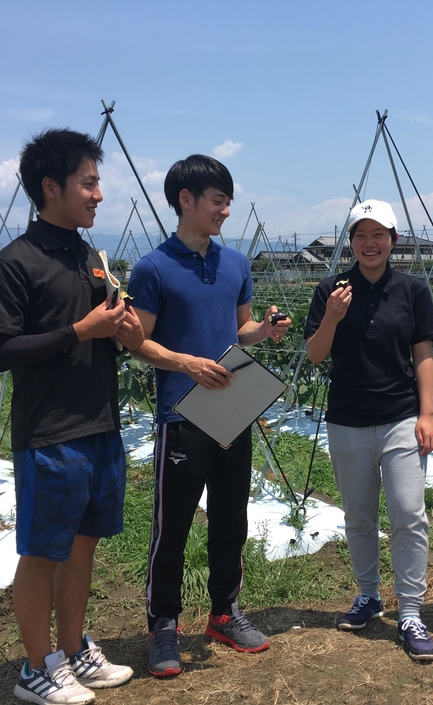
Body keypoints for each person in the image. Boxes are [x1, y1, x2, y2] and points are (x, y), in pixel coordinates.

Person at [0, 128, 143, 704]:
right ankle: (34, 667)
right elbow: (0, 352)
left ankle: (74, 652)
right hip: (50, 433)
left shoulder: (89, 257)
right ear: (50, 187)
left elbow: (110, 336)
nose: (98, 195)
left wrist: (126, 331)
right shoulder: (14, 263)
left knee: (82, 547)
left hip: (100, 425)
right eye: (88, 183)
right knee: (44, 551)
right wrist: (80, 330)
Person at [126, 154, 291, 678]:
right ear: (186, 200)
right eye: (217, 201)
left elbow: (238, 329)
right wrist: (185, 364)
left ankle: (224, 612)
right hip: (182, 412)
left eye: (227, 201)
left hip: (231, 406)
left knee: (230, 518)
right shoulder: (153, 267)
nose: (225, 210)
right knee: (171, 526)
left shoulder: (235, 264)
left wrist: (262, 332)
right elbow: (137, 342)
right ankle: (164, 625)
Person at [304, 199, 433, 662]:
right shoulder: (330, 290)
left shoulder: (412, 290)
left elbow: (423, 355)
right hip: (348, 418)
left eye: (378, 234)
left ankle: (411, 610)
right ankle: (368, 595)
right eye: (360, 234)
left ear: (393, 240)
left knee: (408, 513)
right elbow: (316, 355)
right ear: (351, 241)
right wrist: (333, 317)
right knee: (359, 516)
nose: (370, 243)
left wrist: (427, 414)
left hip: (402, 415)